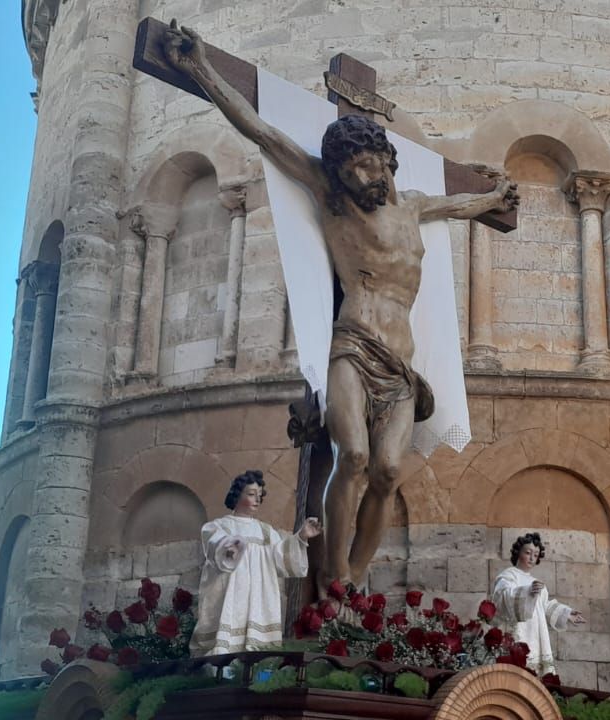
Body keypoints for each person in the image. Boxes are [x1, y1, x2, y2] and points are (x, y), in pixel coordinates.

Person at [164, 22, 518, 593]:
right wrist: (200, 68)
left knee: (387, 472)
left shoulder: (416, 208)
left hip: (402, 370)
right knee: (351, 456)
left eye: (369, 166)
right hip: (352, 345)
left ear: (386, 161)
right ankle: (331, 571)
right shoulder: (334, 200)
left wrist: (497, 197)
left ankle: (352, 581)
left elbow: (464, 203)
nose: (360, 178)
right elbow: (263, 132)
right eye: (349, 171)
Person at [189, 470, 322, 656]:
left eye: (259, 496)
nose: (257, 499)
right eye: (251, 494)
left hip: (260, 596)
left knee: (258, 651)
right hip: (231, 594)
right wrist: (228, 548)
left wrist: (301, 537)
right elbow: (215, 545)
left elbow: (282, 558)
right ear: (237, 495)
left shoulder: (266, 532)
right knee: (225, 645)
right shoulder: (220, 526)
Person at [490, 533, 585, 674]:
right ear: (518, 553)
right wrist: (527, 592)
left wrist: (566, 614)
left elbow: (545, 606)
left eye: (536, 554)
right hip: (519, 630)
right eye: (528, 553)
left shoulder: (538, 584)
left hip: (536, 632)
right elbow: (502, 597)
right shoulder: (509, 575)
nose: (532, 558)